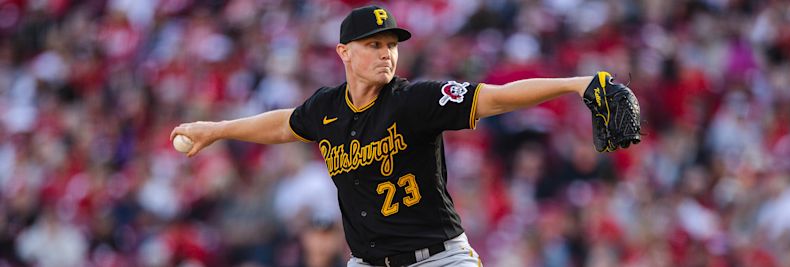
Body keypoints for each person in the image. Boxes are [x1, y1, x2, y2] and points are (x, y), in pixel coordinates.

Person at [171, 5, 611, 267]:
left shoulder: (413, 100)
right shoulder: (326, 108)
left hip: (438, 258)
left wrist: (576, 84)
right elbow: (285, 124)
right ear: (344, 52)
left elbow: (496, 97)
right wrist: (218, 129)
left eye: (391, 45)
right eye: (374, 45)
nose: (387, 53)